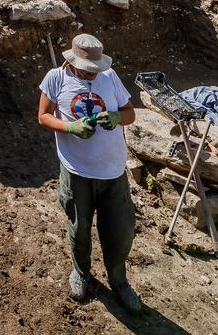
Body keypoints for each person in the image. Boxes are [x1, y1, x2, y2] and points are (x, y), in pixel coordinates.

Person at [36, 33, 143, 312]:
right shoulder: (56, 78)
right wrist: (70, 127)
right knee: (80, 229)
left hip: (113, 173)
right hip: (77, 172)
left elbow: (130, 112)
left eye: (96, 69)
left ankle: (119, 281)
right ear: (73, 62)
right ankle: (81, 273)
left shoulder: (109, 76)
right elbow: (43, 116)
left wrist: (118, 117)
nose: (93, 74)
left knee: (120, 233)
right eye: (88, 69)